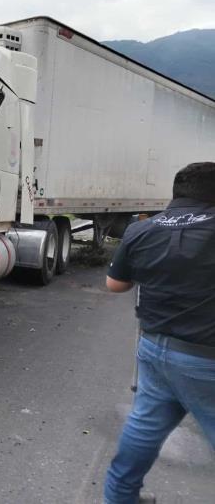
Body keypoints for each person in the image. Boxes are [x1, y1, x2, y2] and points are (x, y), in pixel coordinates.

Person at [104, 162, 215, 504]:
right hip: (206, 359)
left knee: (143, 430)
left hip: (155, 349)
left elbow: (115, 284)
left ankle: (119, 498)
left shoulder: (142, 229)